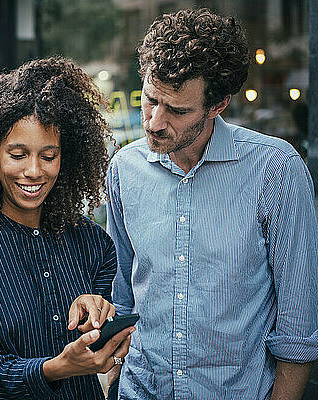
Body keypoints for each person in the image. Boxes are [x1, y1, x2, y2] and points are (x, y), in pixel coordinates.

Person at [105, 8, 318, 400]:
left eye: (178, 110)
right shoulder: (124, 169)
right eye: (151, 99)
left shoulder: (276, 171)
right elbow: (123, 294)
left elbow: (298, 329)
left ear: (218, 105)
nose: (153, 121)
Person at [0, 57, 134, 400]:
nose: (33, 171)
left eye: (48, 155)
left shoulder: (93, 243)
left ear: (65, 158)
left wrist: (99, 321)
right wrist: (57, 367)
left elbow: (109, 348)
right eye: (17, 154)